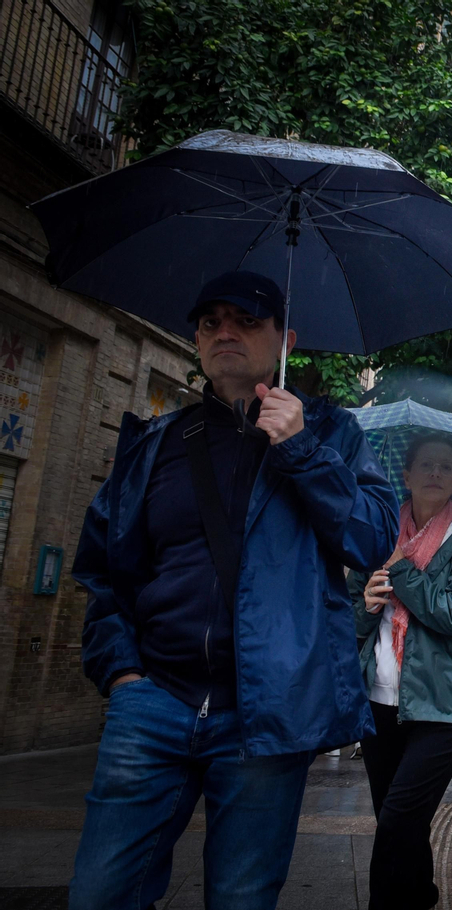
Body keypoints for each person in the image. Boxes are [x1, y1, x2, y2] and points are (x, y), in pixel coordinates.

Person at [70, 271, 399, 909]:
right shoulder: (155, 445)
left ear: (285, 340)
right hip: (152, 704)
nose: (225, 332)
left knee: (242, 898)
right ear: (195, 338)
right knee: (100, 892)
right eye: (211, 321)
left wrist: (301, 449)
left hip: (267, 718)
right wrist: (121, 673)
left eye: (247, 321)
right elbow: (104, 567)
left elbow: (369, 538)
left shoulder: (332, 435)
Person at [350, 433, 452, 910]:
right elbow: (344, 614)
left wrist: (401, 573)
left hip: (445, 706)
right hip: (380, 701)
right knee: (401, 824)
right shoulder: (377, 534)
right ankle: (420, 897)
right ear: (406, 475)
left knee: (396, 822)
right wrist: (367, 607)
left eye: (446, 466)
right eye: (426, 464)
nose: (436, 472)